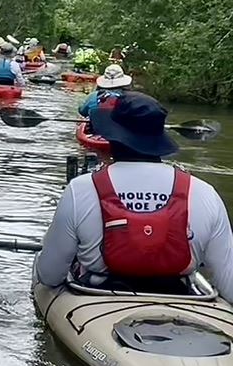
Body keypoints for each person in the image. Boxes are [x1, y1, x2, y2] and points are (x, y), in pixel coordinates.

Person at [34, 92, 233, 299]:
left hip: (95, 298)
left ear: (111, 135)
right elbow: (230, 286)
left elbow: (49, 276)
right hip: (182, 300)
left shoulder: (80, 189)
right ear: (159, 139)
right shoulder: (204, 192)